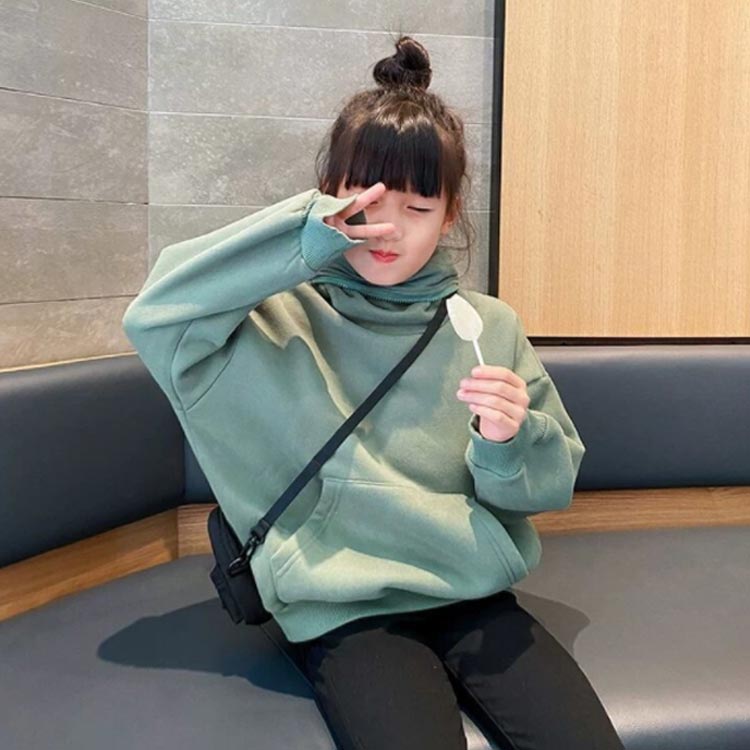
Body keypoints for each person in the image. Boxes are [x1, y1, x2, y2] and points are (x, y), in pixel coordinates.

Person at [122, 33, 625, 750]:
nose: (387, 231)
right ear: (330, 196)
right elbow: (155, 316)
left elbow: (545, 489)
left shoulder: (486, 326)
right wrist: (305, 237)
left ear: (451, 214)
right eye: (368, 203)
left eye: (418, 209)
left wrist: (508, 442)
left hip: (471, 593)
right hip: (344, 608)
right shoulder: (268, 325)